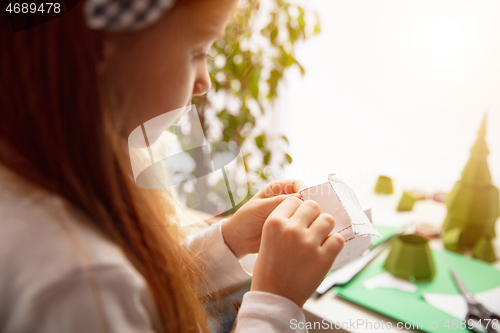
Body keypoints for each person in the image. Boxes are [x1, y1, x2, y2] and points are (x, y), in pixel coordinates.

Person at [0, 0, 345, 331]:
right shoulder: (82, 281)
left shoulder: (32, 172)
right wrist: (274, 301)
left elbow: (138, 283)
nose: (204, 82)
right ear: (100, 47)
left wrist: (227, 240)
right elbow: (112, 286)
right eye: (196, 51)